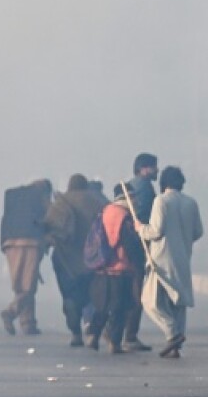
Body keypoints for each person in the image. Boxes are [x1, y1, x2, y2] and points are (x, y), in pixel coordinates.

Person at [136, 166, 203, 358]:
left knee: (149, 300)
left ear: (163, 183)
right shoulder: (191, 202)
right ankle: (175, 345)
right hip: (183, 256)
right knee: (178, 302)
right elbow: (198, 232)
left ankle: (172, 332)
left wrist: (140, 228)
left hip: (161, 259)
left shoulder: (161, 201)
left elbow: (155, 231)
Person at [43, 174, 108, 347]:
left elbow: (49, 228)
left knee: (70, 296)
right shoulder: (98, 202)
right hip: (93, 260)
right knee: (94, 296)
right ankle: (93, 330)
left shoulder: (61, 203)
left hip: (66, 260)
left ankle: (75, 333)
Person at [84, 183, 145, 354]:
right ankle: (114, 342)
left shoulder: (105, 211)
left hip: (103, 267)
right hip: (122, 267)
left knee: (102, 305)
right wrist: (140, 262)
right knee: (121, 307)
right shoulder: (125, 216)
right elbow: (129, 243)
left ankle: (94, 333)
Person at [0, 179, 52, 336]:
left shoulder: (14, 197)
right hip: (30, 242)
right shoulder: (41, 196)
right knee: (28, 285)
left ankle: (28, 323)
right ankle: (11, 311)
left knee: (21, 284)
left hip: (10, 243)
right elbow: (49, 216)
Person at [121, 152, 160, 351]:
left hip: (125, 247)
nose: (157, 171)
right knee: (137, 291)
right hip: (138, 245)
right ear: (144, 168)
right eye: (154, 167)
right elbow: (143, 217)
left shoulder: (131, 185)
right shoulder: (145, 188)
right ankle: (130, 336)